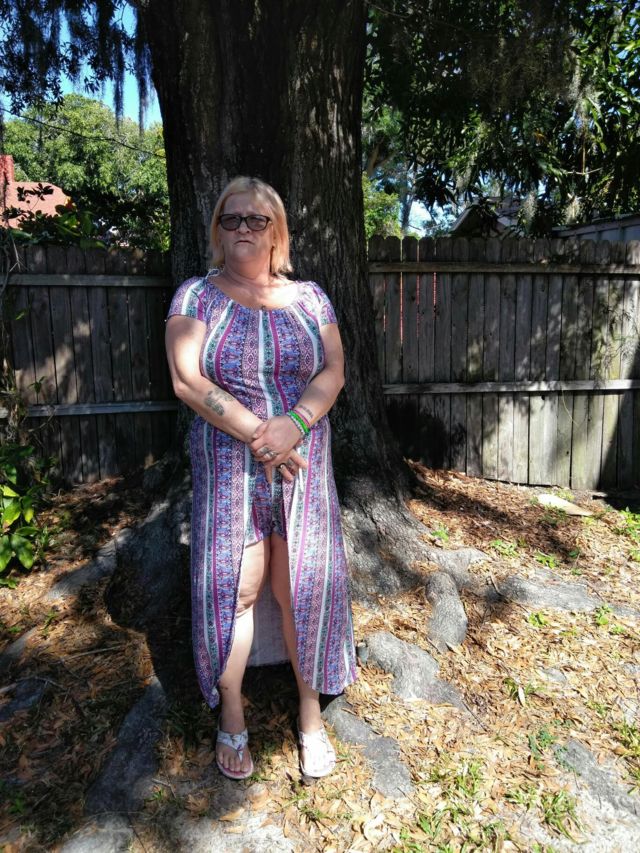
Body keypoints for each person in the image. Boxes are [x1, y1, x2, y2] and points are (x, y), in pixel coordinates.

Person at [165, 176, 357, 781]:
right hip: (229, 467)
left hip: (303, 464)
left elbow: (333, 370)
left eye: (257, 219)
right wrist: (261, 433)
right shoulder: (196, 296)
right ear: (217, 231)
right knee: (237, 589)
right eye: (231, 219)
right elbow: (187, 380)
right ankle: (232, 714)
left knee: (300, 586)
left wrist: (293, 424)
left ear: (278, 232)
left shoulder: (312, 298)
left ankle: (310, 715)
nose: (243, 228)